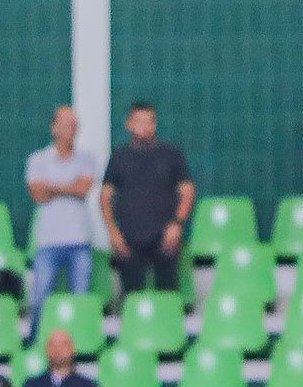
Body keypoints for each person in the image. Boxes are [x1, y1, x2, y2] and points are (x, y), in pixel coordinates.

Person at [29, 105, 110, 329]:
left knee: (80, 301)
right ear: (54, 128)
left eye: (74, 125)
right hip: (48, 242)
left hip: (80, 241)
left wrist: (52, 187)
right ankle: (36, 342)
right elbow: (38, 193)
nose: (71, 130)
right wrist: (69, 186)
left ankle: (80, 343)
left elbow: (83, 189)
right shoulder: (38, 159)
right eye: (66, 125)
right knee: (40, 299)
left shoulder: (87, 158)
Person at [102, 100, 194, 296]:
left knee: (168, 295)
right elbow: (105, 197)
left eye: (150, 121)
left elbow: (187, 191)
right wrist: (113, 232)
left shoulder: (171, 154)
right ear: (129, 124)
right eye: (139, 121)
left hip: (165, 238)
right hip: (129, 238)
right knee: (131, 297)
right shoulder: (119, 156)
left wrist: (177, 224)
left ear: (155, 124)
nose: (145, 126)